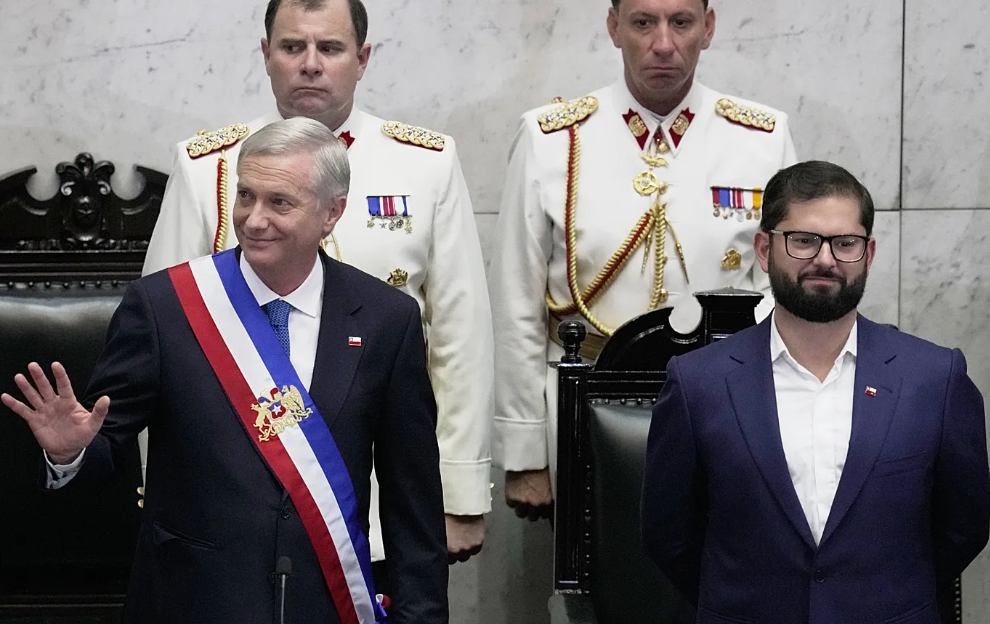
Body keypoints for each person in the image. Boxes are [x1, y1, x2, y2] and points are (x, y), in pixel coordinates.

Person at [1, 118, 449, 624]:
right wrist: (70, 453)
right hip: (194, 600)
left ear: (332, 213)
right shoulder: (165, 307)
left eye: (280, 202)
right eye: (246, 196)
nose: (254, 220)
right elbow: (106, 445)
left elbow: (413, 500)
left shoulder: (386, 318)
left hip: (327, 601)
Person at [142, 0, 492, 565]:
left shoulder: (424, 164)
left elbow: (459, 336)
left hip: (376, 503)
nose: (310, 64)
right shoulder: (207, 166)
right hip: (233, 501)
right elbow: (164, 346)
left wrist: (458, 492)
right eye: (291, 47)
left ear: (362, 58)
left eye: (329, 48)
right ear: (266, 55)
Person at [641, 160, 990, 623]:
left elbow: (965, 526)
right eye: (804, 240)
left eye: (845, 243)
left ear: (868, 253)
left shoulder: (934, 378)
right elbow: (668, 535)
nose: (825, 259)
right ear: (764, 249)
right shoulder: (697, 383)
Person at [489, 0, 797, 518]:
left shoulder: (762, 138)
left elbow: (782, 289)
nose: (663, 43)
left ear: (708, 28)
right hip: (583, 398)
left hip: (725, 402)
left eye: (681, 22)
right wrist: (524, 454)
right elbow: (516, 301)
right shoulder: (551, 138)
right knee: (598, 563)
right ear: (614, 27)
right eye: (642, 23)